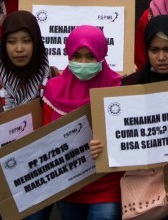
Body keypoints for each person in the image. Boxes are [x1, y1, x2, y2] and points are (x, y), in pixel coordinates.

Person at [43, 26, 122, 220]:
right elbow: (45, 135)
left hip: (105, 185)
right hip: (70, 185)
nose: (83, 63)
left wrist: (107, 145)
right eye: (77, 56)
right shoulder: (53, 89)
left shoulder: (118, 88)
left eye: (90, 56)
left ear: (102, 55)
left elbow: (126, 137)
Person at [0, 11, 52, 113]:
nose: (19, 49)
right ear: (4, 44)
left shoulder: (52, 79)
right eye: (12, 41)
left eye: (26, 41)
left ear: (36, 42)